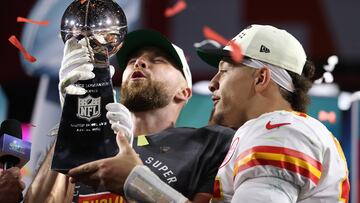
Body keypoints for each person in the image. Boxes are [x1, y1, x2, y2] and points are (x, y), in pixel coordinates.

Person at [69, 24, 350, 203]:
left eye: (224, 72)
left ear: (261, 78)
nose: (213, 83)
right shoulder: (282, 130)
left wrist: (136, 181)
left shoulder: (278, 130)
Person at [25, 29, 234, 203]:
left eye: (158, 60)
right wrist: (73, 117)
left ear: (184, 91)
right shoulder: (88, 143)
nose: (139, 62)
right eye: (132, 60)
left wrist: (136, 181)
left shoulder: (210, 142)